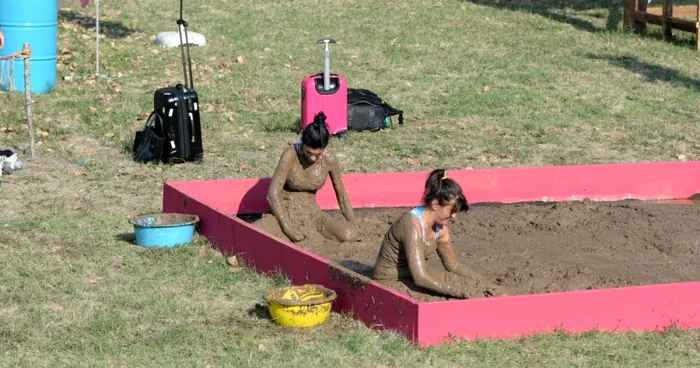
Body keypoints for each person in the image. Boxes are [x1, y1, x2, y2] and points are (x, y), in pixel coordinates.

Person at [372, 169, 493, 299]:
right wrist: (461, 293)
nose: (454, 215)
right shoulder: (412, 224)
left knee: (456, 281)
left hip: (414, 274)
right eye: (451, 210)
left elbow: (452, 265)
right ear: (435, 204)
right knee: (447, 291)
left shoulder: (441, 228)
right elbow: (420, 278)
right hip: (390, 279)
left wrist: (483, 282)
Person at [253, 112, 359, 243]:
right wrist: (287, 227)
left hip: (312, 214)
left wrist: (352, 222)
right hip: (284, 213)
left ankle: (316, 235)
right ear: (302, 142)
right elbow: (272, 195)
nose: (313, 158)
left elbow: (341, 195)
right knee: (253, 233)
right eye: (309, 152)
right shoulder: (290, 154)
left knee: (349, 234)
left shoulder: (329, 160)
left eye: (318, 154)